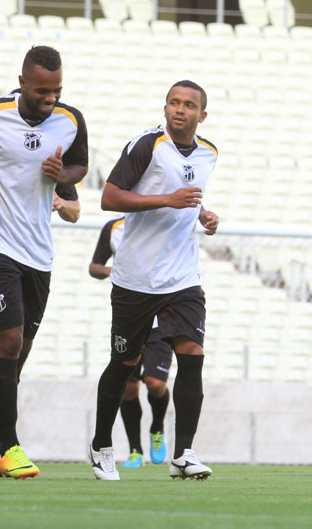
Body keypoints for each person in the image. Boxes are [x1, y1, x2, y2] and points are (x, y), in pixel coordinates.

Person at [0, 46, 88, 479]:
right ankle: (7, 447)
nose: (50, 98)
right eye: (42, 91)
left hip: (38, 251)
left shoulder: (71, 118)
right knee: (6, 344)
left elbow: (80, 166)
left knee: (18, 353)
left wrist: (61, 175)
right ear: (23, 82)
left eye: (57, 91)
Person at [89, 80, 219, 481]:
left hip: (182, 276)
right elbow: (109, 197)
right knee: (125, 363)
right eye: (173, 103)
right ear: (165, 108)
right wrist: (169, 200)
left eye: (188, 105)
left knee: (193, 354)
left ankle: (183, 454)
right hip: (136, 278)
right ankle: (101, 445)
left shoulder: (209, 153)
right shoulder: (146, 145)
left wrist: (203, 215)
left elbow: (186, 195)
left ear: (202, 115)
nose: (179, 110)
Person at [89, 217, 172, 468]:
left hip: (161, 318)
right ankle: (135, 450)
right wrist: (113, 271)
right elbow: (94, 267)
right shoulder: (113, 228)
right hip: (130, 317)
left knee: (155, 383)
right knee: (129, 386)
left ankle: (157, 429)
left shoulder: (163, 221)